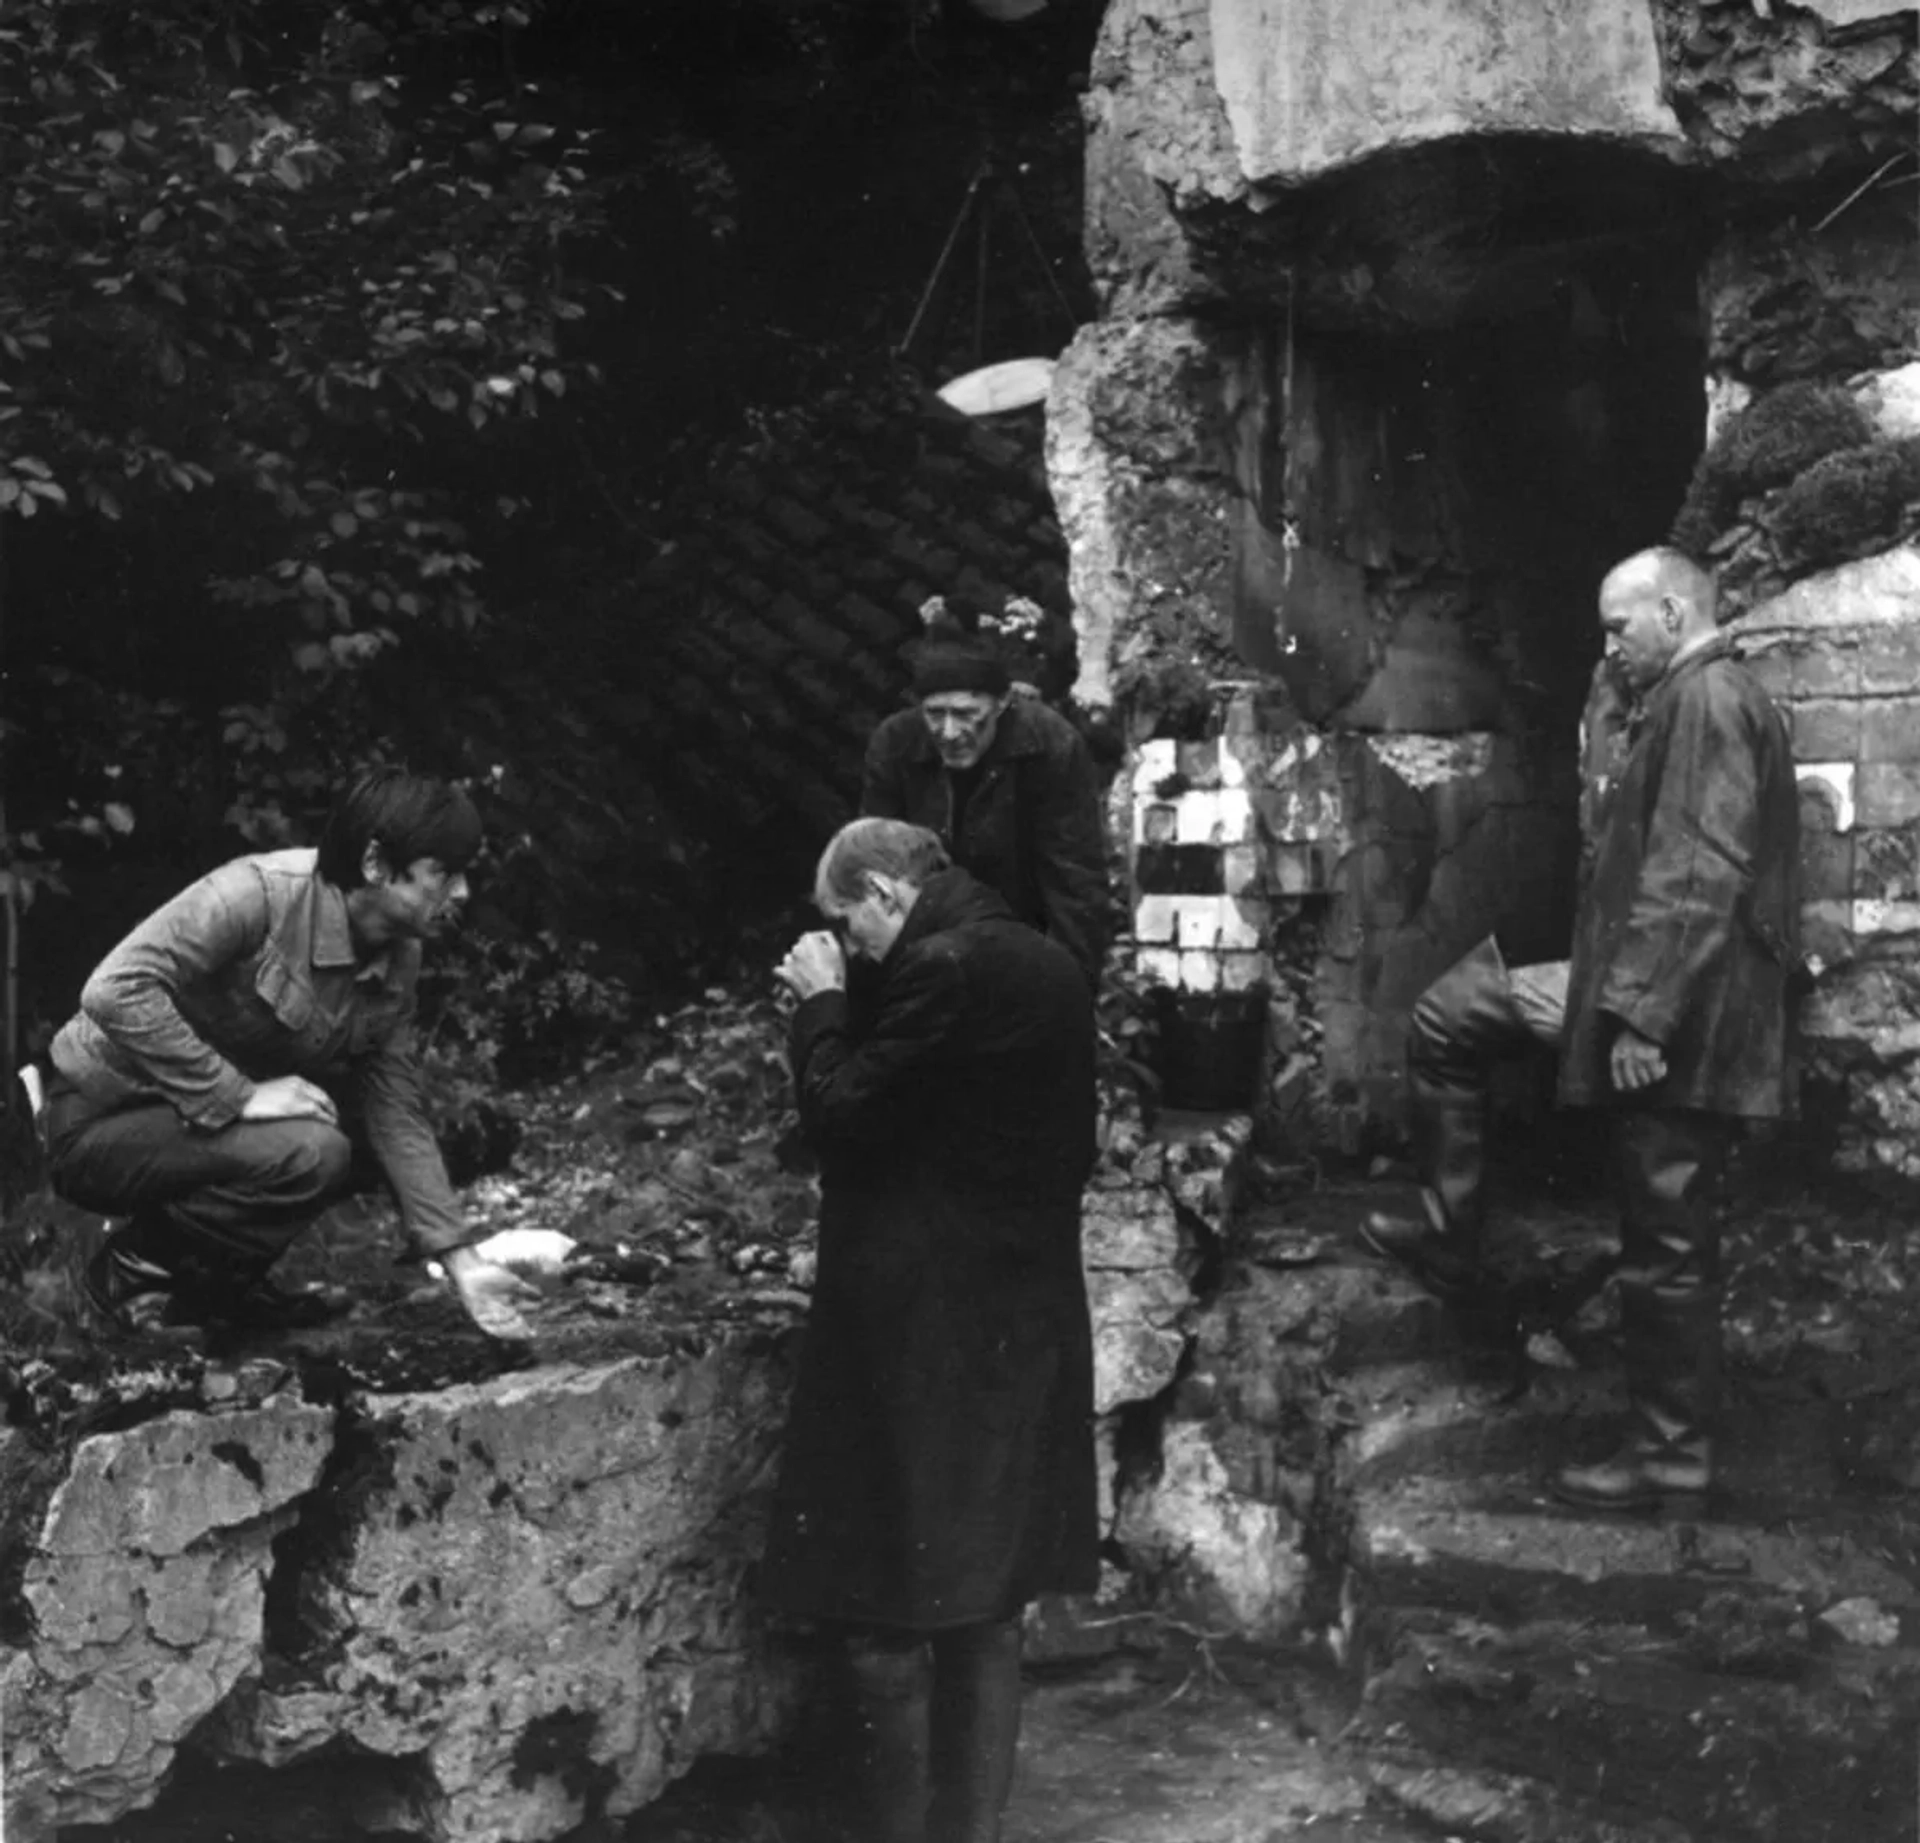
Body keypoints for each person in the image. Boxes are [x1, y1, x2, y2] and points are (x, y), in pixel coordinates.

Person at [1364, 547, 1801, 1511]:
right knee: (1451, 1015)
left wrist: (1641, 1017)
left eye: (1620, 626)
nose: (1608, 646)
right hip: (1638, 990)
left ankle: (1671, 1456)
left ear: (1677, 614)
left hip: (1683, 1016)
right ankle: (1446, 1228)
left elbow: (1697, 870)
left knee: (1668, 1236)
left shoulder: (1709, 701)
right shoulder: (1670, 698)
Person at [764, 818, 1100, 1843]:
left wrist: (819, 1006)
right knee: (985, 1600)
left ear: (882, 891)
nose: (847, 941)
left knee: (884, 1603)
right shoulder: (1041, 959)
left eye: (844, 922)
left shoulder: (940, 968)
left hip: (919, 1327)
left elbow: (844, 1113)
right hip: (1021, 1311)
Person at [40, 768, 537, 1346]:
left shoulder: (400, 954)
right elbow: (113, 990)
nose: (462, 894)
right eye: (443, 875)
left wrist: (462, 1260)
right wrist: (239, 1096)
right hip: (100, 1125)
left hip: (207, 1138)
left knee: (370, 1138)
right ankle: (120, 1279)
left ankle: (219, 1291)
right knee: (312, 1148)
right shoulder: (256, 894)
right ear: (376, 864)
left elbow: (393, 1106)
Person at [860, 623, 1113, 989]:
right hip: (926, 947)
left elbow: (1074, 884)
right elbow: (874, 871)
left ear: (1002, 703)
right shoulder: (895, 745)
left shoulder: (1050, 746)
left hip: (1022, 937)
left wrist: (1067, 991)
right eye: (934, 713)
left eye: (965, 714)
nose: (948, 732)